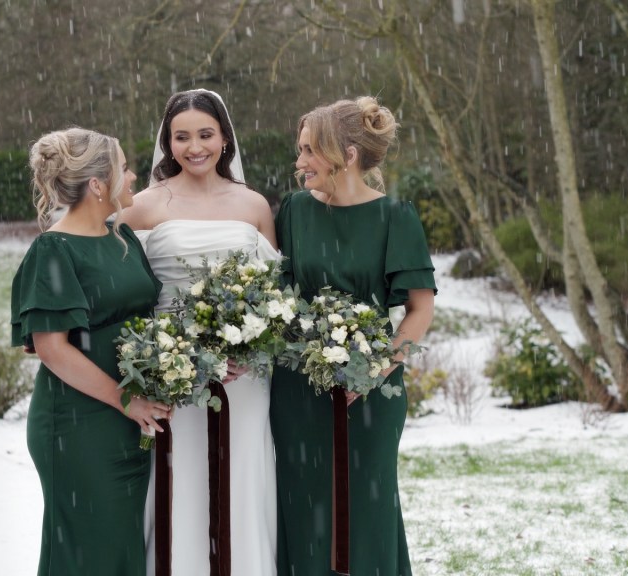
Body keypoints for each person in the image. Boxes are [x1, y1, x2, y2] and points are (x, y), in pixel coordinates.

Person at [270, 97, 437, 576]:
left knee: (369, 505)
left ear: (346, 154)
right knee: (302, 502)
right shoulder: (295, 212)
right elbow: (280, 295)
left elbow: (419, 309)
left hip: (370, 392)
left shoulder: (395, 217)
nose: (299, 162)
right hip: (297, 389)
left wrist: (373, 370)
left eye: (307, 151)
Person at [121, 89, 279, 576]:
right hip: (174, 374)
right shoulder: (144, 205)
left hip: (244, 376)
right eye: (182, 136)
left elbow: (276, 296)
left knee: (241, 476)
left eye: (205, 134)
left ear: (225, 139)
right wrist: (161, 353)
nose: (195, 147)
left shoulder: (254, 205)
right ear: (167, 143)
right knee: (180, 481)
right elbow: (119, 287)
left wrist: (251, 349)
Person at [10, 127, 172, 576]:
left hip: (128, 424)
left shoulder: (121, 239)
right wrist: (127, 399)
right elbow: (52, 350)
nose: (135, 176)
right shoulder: (53, 249)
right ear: (99, 184)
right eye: (125, 168)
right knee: (87, 554)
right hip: (77, 425)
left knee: (120, 550)